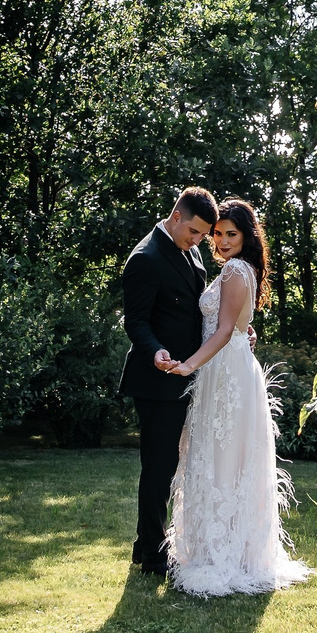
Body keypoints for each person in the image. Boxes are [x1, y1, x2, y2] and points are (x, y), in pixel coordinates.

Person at [156, 197, 311, 596]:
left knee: (223, 455)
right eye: (218, 234)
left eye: (231, 234)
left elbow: (224, 330)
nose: (222, 241)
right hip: (228, 369)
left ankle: (224, 555)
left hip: (225, 372)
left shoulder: (236, 270)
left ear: (246, 237)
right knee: (222, 456)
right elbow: (235, 327)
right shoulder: (237, 270)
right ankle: (227, 547)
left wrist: (188, 366)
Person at [118, 187, 215, 575]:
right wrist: (156, 350)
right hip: (158, 378)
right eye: (194, 232)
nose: (198, 242)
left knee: (171, 465)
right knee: (159, 467)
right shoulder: (145, 258)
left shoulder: (186, 247)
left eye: (202, 236)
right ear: (177, 216)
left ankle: (146, 546)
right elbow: (135, 320)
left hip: (188, 373)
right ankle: (154, 557)